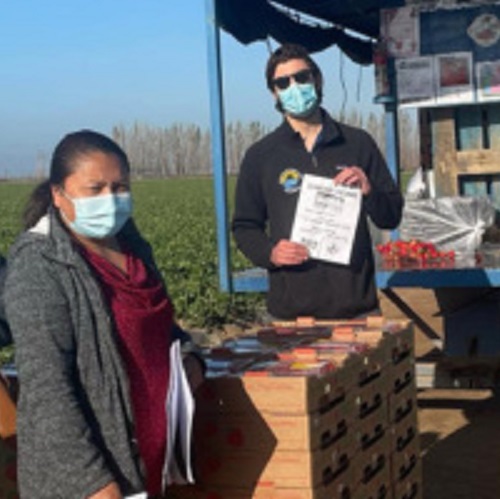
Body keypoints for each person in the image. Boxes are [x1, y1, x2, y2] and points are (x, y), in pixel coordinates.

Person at [4, 130, 204, 499]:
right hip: (91, 474)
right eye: (94, 189)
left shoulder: (131, 244)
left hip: (147, 456)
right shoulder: (38, 264)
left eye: (120, 187)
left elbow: (160, 326)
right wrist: (91, 481)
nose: (110, 200)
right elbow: (47, 386)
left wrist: (189, 357)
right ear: (58, 194)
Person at [232, 43, 404, 321]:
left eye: (302, 77)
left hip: (357, 310)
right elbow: (244, 227)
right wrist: (270, 252)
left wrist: (369, 191)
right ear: (274, 92)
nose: (294, 87)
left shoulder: (357, 143)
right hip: (291, 315)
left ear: (317, 79)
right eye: (283, 82)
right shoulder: (261, 155)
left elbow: (391, 216)